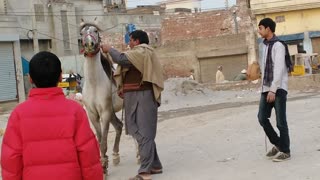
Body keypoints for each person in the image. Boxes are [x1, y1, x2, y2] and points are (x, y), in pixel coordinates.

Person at [1, 51, 103, 180]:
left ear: (30, 78)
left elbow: (11, 160)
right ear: (60, 77)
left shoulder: (18, 114)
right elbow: (89, 157)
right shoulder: (75, 111)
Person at [101, 30, 164, 180]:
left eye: (130, 40)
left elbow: (122, 60)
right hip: (133, 96)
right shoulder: (137, 53)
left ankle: (145, 171)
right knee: (141, 132)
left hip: (143, 96)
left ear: (136, 41)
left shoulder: (143, 51)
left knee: (144, 133)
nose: (129, 43)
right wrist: (123, 89)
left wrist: (110, 49)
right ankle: (155, 165)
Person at [257, 18, 291, 162]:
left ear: (268, 29)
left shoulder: (279, 45)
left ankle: (286, 151)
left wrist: (273, 89)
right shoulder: (263, 46)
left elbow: (278, 69)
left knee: (280, 122)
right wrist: (265, 88)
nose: (259, 31)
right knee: (262, 117)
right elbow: (264, 68)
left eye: (260, 28)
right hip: (266, 88)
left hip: (278, 88)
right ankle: (278, 143)